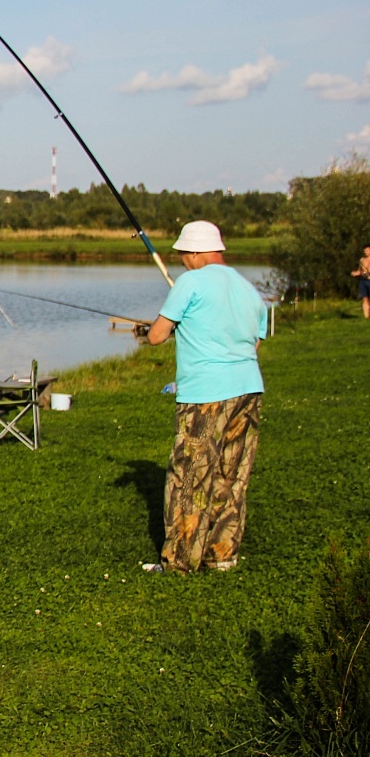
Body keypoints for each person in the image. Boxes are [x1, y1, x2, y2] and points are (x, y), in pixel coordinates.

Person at [145, 220, 267, 573]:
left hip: (204, 394)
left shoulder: (190, 283)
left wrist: (162, 328)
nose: (183, 260)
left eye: (184, 254)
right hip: (248, 389)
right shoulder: (248, 288)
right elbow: (254, 341)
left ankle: (181, 561)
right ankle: (221, 554)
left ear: (196, 252)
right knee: (232, 474)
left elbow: (156, 336)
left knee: (189, 476)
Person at [353, 243, 370, 319]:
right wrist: (355, 273)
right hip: (363, 281)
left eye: (367, 250)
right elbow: (359, 271)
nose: (365, 252)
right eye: (364, 250)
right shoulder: (362, 260)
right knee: (364, 298)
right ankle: (366, 317)